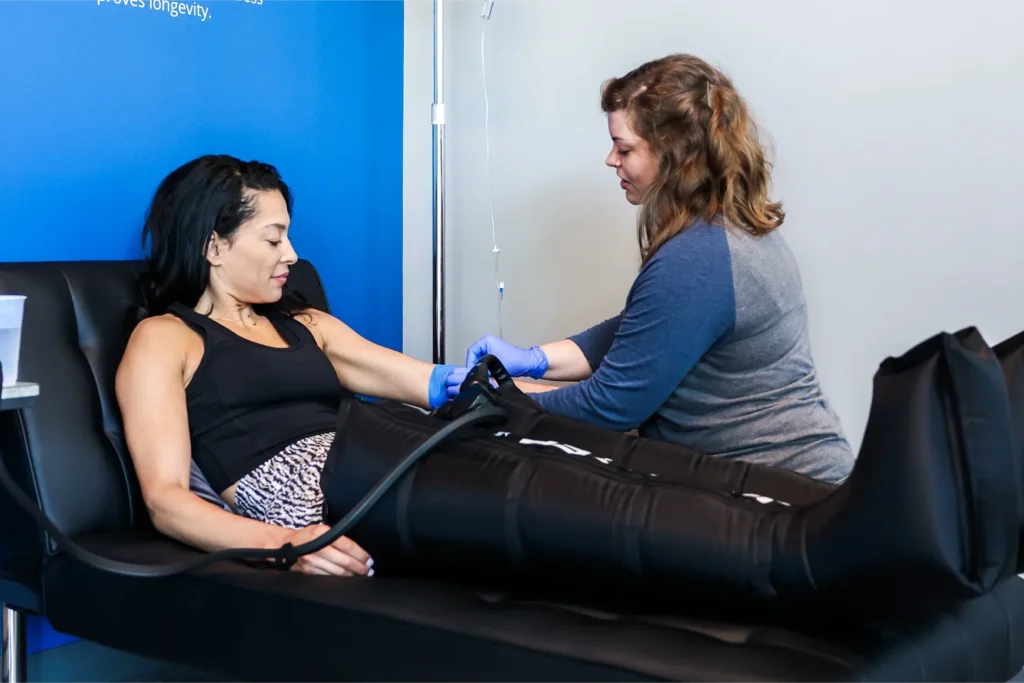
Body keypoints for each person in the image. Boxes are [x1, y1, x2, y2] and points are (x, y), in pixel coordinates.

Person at [450, 54, 854, 484]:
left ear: (676, 156)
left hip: (779, 489)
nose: (610, 159)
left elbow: (610, 406)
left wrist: (500, 398)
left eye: (624, 148)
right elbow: (643, 331)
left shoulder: (697, 258)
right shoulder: (728, 231)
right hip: (798, 479)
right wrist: (533, 360)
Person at [115, 155, 461, 577]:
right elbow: (165, 500)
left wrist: (544, 384)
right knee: (514, 492)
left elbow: (434, 382)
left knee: (517, 452)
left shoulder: (305, 323)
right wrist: (283, 544)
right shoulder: (166, 337)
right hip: (330, 493)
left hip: (386, 452)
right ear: (214, 247)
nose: (292, 256)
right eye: (274, 240)